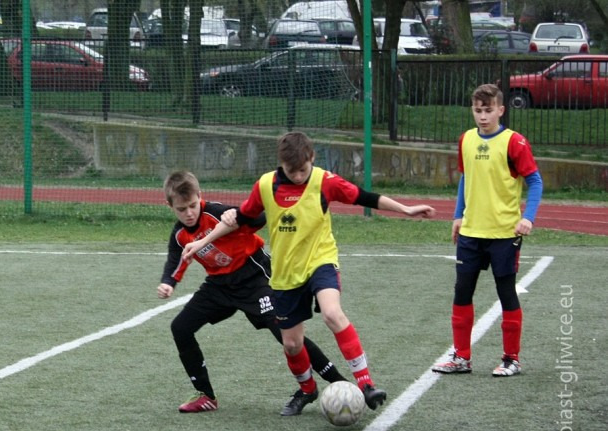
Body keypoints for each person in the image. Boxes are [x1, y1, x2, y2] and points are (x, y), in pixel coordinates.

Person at [183, 132, 436, 411]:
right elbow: (241, 218)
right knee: (292, 344)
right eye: (291, 170)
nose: (298, 176)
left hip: (320, 260)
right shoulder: (265, 185)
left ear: (312, 158)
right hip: (285, 273)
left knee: (332, 313)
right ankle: (307, 390)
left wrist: (406, 209)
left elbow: (364, 197)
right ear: (281, 163)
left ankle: (366, 384)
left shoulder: (324, 181)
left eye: (303, 169)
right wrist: (203, 241)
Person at [159, 170, 348, 415]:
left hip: (255, 277)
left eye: (193, 205)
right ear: (170, 206)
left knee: (285, 333)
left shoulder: (216, 213)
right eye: (181, 209)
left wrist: (237, 215)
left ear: (200, 196)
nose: (189, 213)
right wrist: (168, 283)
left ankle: (339, 382)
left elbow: (259, 217)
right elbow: (175, 260)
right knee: (180, 328)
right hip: (219, 286)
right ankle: (206, 395)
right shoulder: (179, 234)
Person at [432, 83, 542, 377]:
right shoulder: (466, 140)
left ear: (501, 110)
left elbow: (535, 181)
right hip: (471, 232)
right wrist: (458, 215)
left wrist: (528, 217)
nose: (483, 116)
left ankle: (511, 359)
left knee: (506, 292)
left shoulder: (514, 142)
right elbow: (465, 178)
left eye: (488, 110)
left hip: (505, 234)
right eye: (478, 110)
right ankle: (461, 358)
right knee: (462, 291)